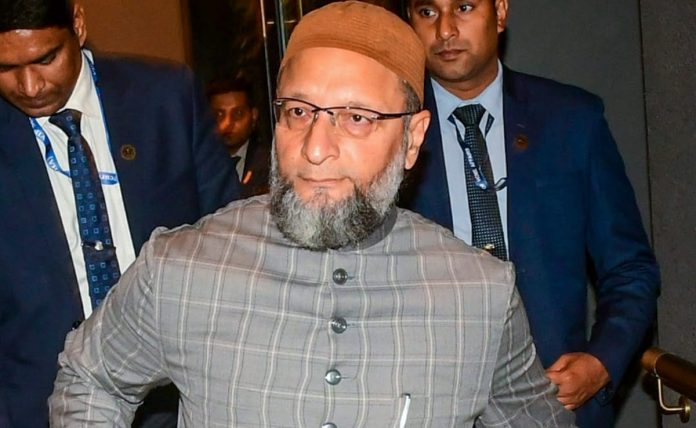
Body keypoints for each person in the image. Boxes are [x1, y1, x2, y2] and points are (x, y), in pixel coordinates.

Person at [49, 2, 575, 426]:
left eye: (357, 117)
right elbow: (91, 378)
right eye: (299, 112)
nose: (315, 148)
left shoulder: (478, 293)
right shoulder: (182, 267)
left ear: (413, 138)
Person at [399, 0, 660, 426]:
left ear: (500, 12)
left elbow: (631, 268)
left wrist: (600, 363)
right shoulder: (386, 129)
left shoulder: (571, 120)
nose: (445, 30)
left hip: (555, 401)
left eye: (463, 7)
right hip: (428, 405)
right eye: (428, 12)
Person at [0, 0, 239, 426]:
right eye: (5, 68)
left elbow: (230, 235)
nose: (30, 86)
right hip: (37, 406)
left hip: (180, 397)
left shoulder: (164, 97)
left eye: (46, 59)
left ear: (78, 24)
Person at [207, 75, 271, 197]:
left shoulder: (270, 163)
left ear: (253, 115)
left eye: (238, 114)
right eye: (218, 115)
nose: (227, 123)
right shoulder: (198, 165)